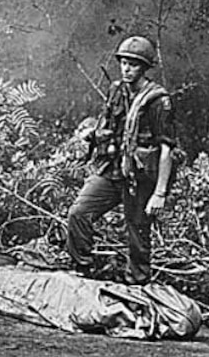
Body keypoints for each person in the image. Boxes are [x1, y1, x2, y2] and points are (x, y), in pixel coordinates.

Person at [67, 35, 176, 285]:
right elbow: (108, 124)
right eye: (124, 63)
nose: (127, 69)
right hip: (111, 169)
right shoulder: (116, 90)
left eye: (134, 64)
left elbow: (166, 149)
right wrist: (92, 133)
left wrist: (159, 193)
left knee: (137, 233)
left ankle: (137, 286)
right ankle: (82, 270)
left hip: (138, 176)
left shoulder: (158, 101)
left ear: (145, 68)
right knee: (78, 213)